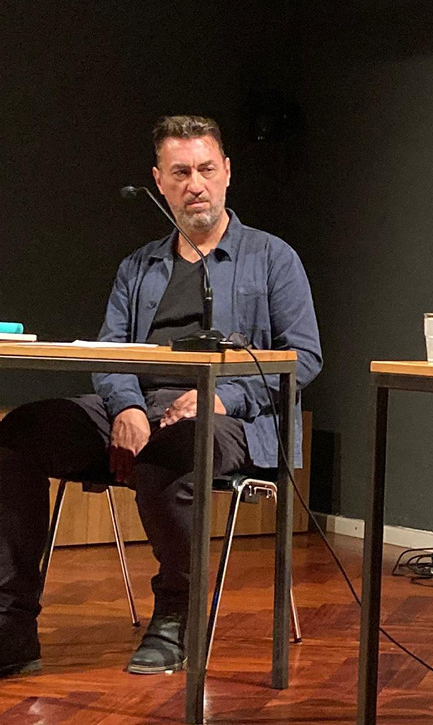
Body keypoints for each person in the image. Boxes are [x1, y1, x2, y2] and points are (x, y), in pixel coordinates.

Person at [0, 115, 322, 677]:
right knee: (16, 437)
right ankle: (12, 625)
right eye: (180, 173)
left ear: (227, 173)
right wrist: (126, 407)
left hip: (230, 418)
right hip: (139, 406)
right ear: (159, 181)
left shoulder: (273, 258)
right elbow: (110, 351)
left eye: (205, 169)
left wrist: (220, 399)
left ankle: (176, 614)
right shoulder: (139, 265)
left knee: (174, 451)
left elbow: (305, 358)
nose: (195, 184)